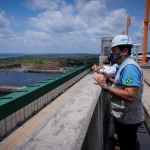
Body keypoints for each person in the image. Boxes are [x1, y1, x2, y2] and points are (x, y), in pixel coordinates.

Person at [94, 35, 144, 150]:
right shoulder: (124, 65)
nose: (112, 55)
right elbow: (123, 84)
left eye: (114, 52)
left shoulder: (130, 68)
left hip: (129, 118)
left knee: (128, 145)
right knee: (125, 142)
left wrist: (106, 86)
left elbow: (130, 95)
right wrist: (109, 80)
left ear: (124, 51)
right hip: (125, 115)